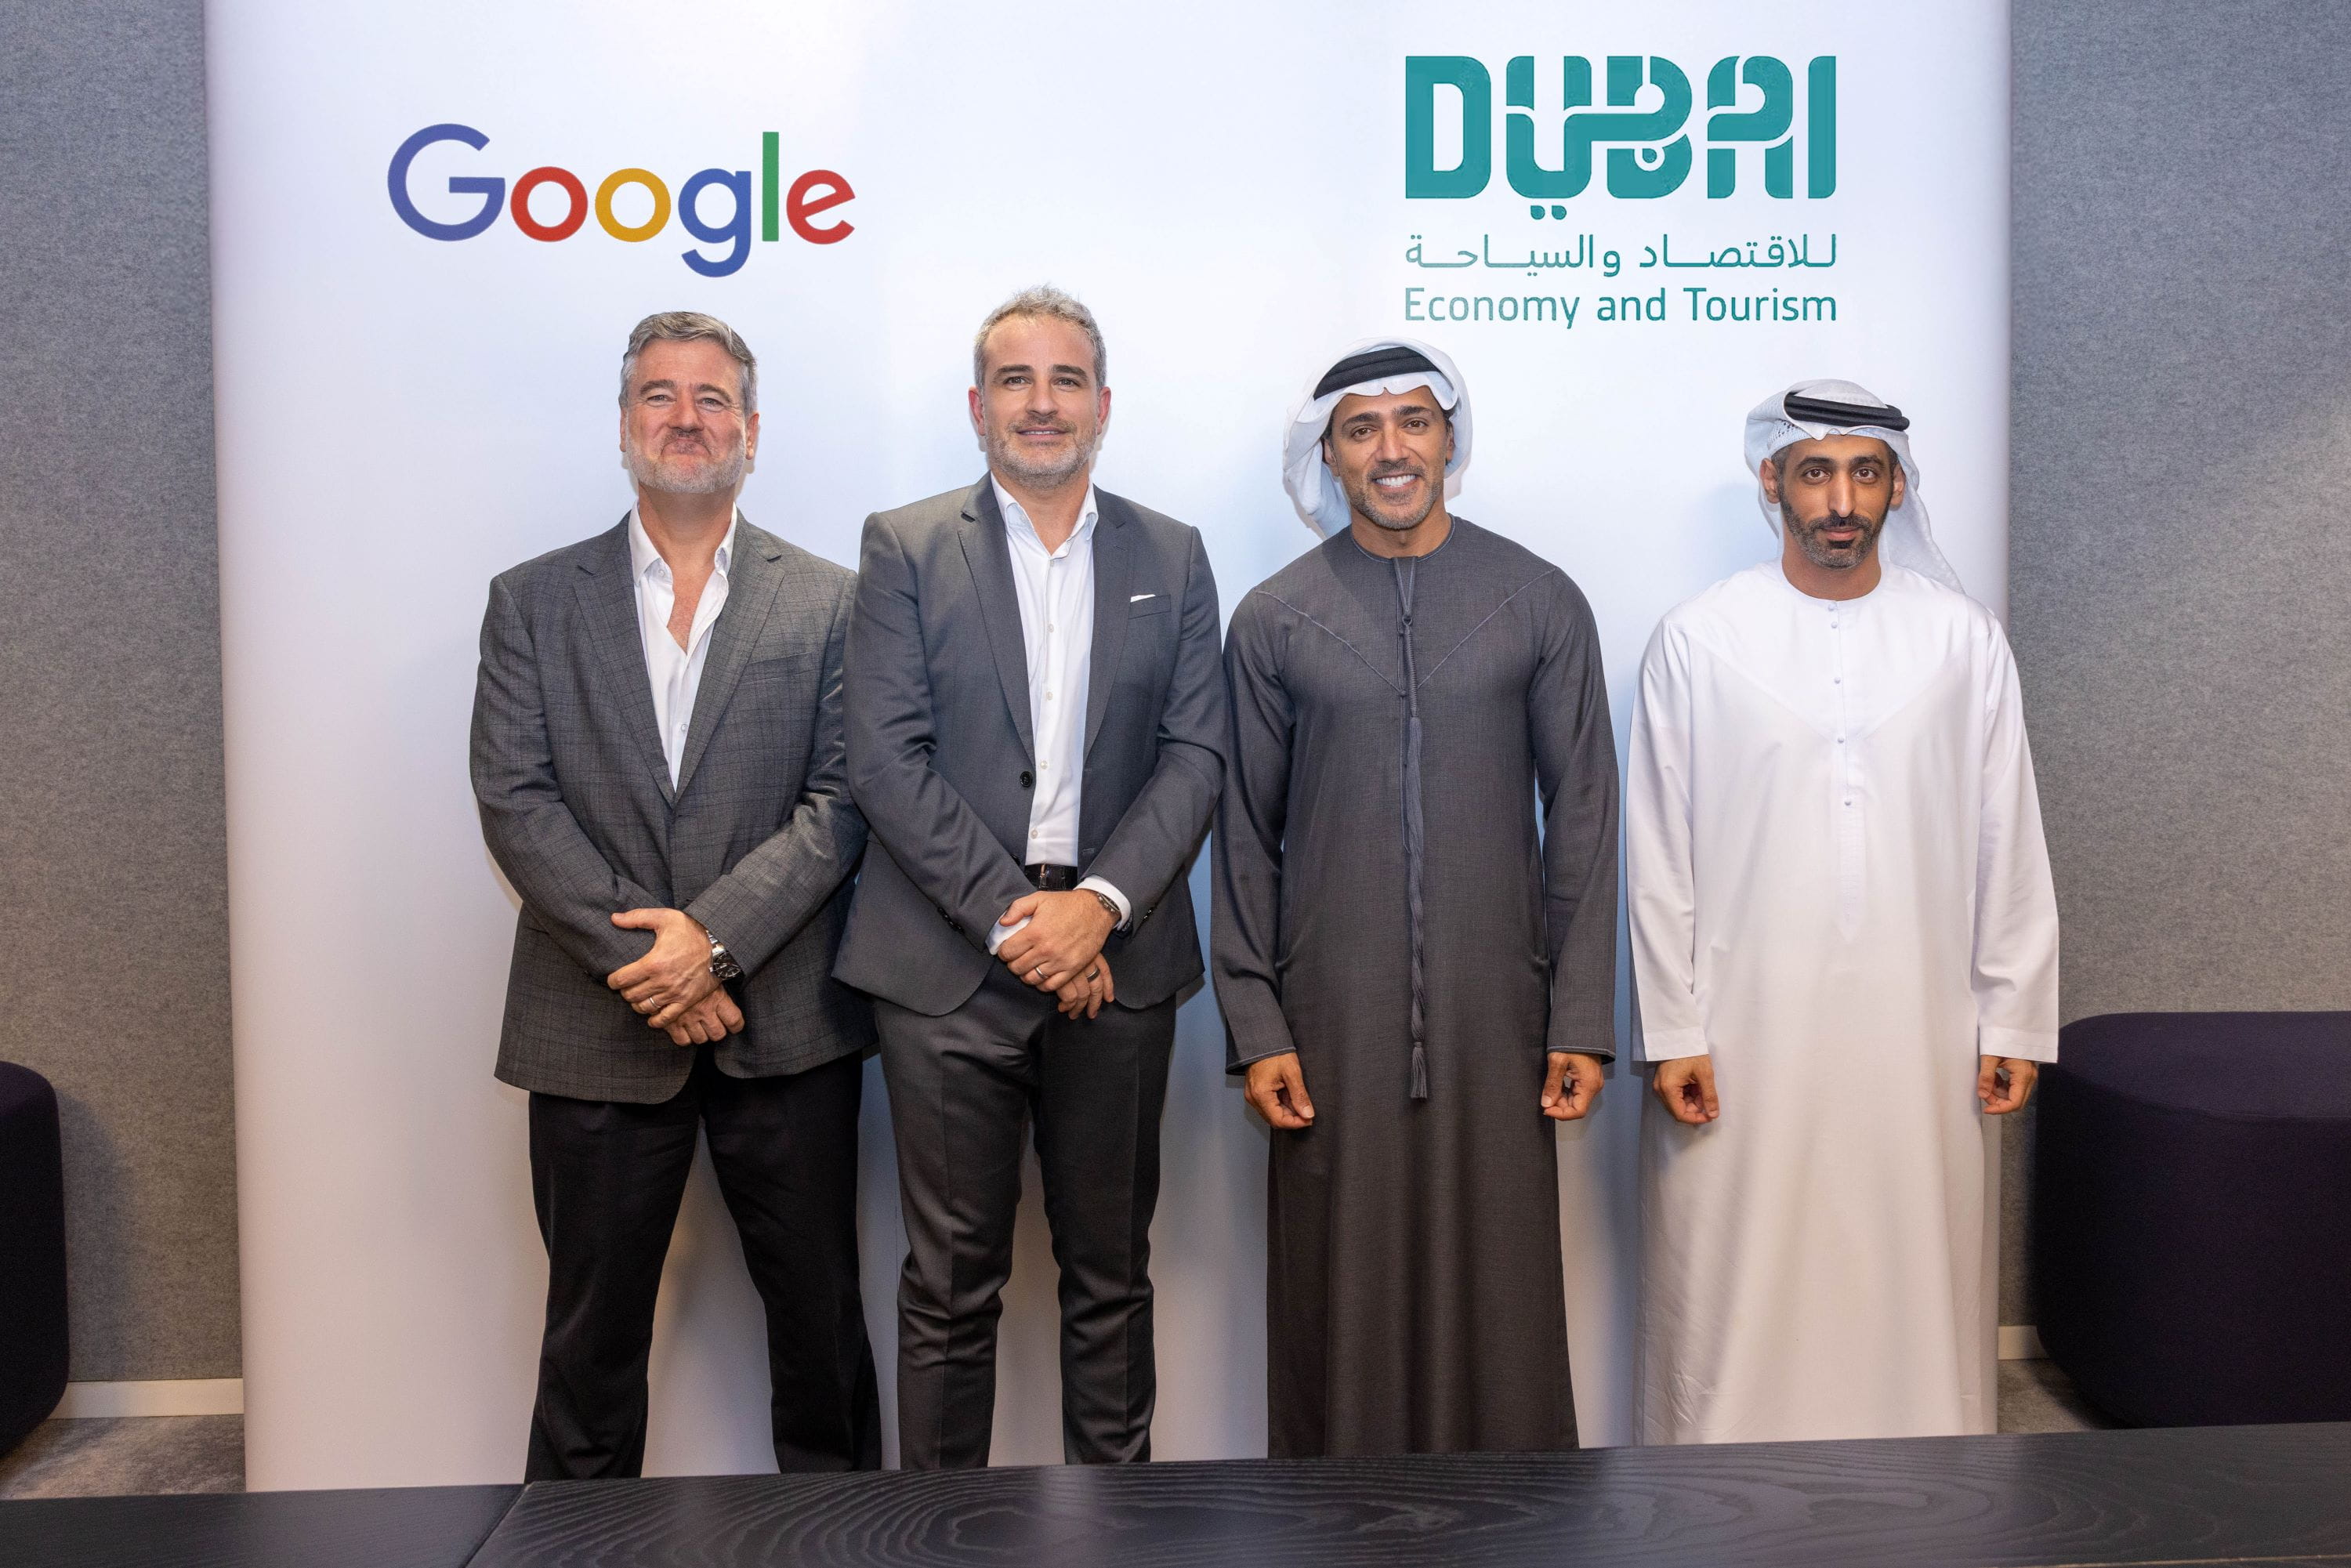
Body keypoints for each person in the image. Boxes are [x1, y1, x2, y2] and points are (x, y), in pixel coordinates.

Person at [471, 311, 879, 1479]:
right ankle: (576, 1550)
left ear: (751, 429)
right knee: (588, 1354)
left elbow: (845, 799)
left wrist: (716, 942)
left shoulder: (833, 600)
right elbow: (515, 799)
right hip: (593, 1025)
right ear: (622, 426)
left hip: (786, 1024)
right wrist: (656, 964)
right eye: (660, 395)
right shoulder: (531, 600)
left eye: (711, 398)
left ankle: (843, 1547)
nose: (686, 418)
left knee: (821, 1339)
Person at [835, 286, 1226, 1468]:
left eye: (1066, 380)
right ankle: (939, 1536)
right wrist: (1028, 927)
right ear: (978, 406)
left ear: (1104, 405)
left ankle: (1116, 1535)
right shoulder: (905, 547)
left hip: (1120, 960)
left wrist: (1095, 910)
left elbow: (1195, 754)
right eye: (1016, 380)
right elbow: (885, 761)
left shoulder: (1173, 553)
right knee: (950, 1284)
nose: (1041, 403)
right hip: (948, 969)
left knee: (1110, 1275)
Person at [1627, 379, 2059, 1444]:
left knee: (1918, 1262)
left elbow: (2008, 833)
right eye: (1815, 472)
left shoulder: (1962, 640)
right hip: (1741, 1028)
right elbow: (1658, 853)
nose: (1840, 500)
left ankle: (1930, 1492)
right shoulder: (1698, 638)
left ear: (1897, 488)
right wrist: (1672, 1029)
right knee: (1735, 1271)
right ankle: (1720, 1498)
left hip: (1923, 1028)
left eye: (1865, 473)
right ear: (1771, 481)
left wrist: (2013, 1015)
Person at [1212, 338, 1618, 1458]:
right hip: (1328, 1026)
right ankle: (1338, 1523)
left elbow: (1584, 818)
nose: (1391, 449)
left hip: (1501, 1021)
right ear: (1330, 456)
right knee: (1334, 1288)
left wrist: (1580, 1016)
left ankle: (1517, 1524)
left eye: (1413, 422)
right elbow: (1242, 834)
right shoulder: (1275, 617)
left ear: (1448, 439)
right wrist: (1256, 1026)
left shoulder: (1539, 600)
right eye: (1362, 429)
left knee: (1502, 1285)